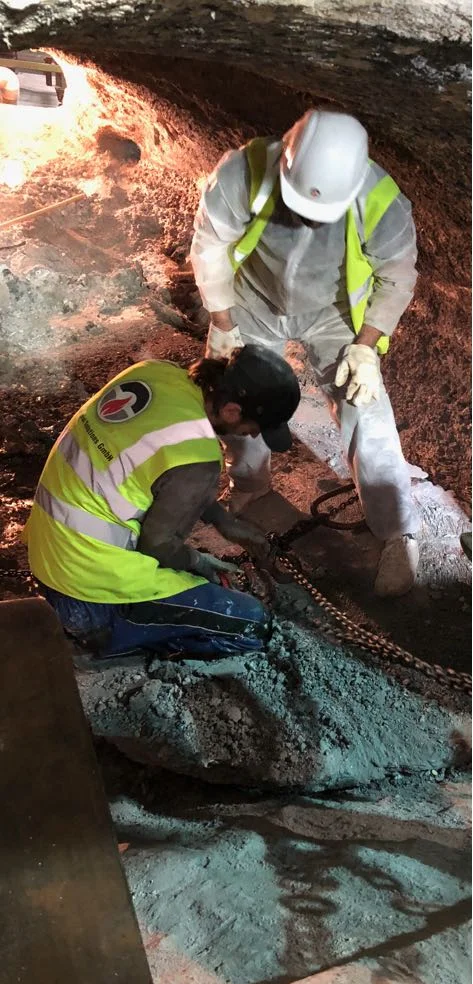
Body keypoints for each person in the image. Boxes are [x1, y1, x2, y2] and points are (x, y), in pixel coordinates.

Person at [191, 108, 420, 597]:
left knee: (363, 405)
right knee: (239, 399)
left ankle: (397, 530)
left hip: (333, 311)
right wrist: (224, 325)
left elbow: (397, 276)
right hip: (255, 300)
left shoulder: (381, 202)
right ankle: (249, 486)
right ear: (285, 164)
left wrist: (366, 348)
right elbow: (210, 245)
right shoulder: (243, 171)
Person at [23, 345, 300, 658]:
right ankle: (112, 642)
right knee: (251, 624)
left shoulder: (154, 373)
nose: (251, 436)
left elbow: (151, 472)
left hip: (46, 553)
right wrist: (197, 563)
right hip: (88, 595)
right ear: (232, 411)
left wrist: (224, 522)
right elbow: (156, 545)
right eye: (255, 429)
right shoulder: (197, 456)